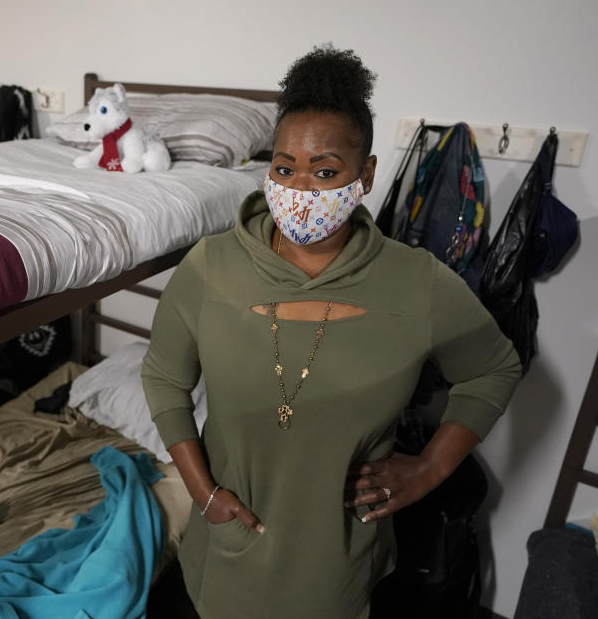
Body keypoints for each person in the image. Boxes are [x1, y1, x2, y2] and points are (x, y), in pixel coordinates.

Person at [141, 45, 521, 619]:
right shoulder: (209, 267)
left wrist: (430, 468)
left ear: (364, 175)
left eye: (324, 171)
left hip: (338, 560)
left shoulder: (416, 284)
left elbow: (494, 367)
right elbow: (164, 376)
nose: (300, 191)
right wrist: (202, 491)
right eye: (283, 167)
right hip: (224, 546)